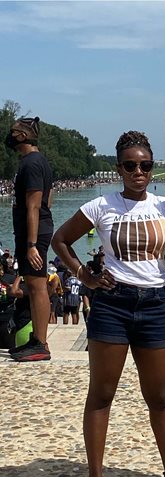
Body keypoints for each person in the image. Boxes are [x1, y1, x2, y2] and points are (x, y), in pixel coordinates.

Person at [51, 130, 165, 477]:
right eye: (131, 165)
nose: (138, 171)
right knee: (101, 394)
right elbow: (61, 240)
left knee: (160, 397)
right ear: (119, 168)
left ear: (152, 168)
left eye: (145, 165)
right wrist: (84, 275)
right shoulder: (101, 206)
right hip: (112, 305)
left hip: (153, 306)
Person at [5, 116, 53, 361]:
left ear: (22, 136)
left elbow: (34, 206)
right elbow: (49, 198)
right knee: (34, 286)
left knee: (36, 286)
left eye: (13, 131)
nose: (9, 135)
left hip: (34, 234)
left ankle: (41, 343)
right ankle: (36, 339)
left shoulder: (32, 163)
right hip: (33, 230)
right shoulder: (36, 161)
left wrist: (32, 244)